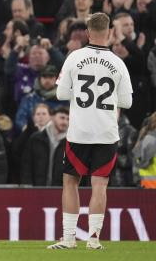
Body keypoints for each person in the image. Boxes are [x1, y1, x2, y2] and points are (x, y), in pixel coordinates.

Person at [49, 13, 133, 250]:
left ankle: (68, 239)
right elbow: (126, 102)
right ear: (109, 33)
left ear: (87, 32)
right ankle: (94, 239)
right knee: (99, 185)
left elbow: (61, 95)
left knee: (70, 182)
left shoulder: (75, 57)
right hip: (106, 132)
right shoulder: (118, 63)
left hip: (79, 132)